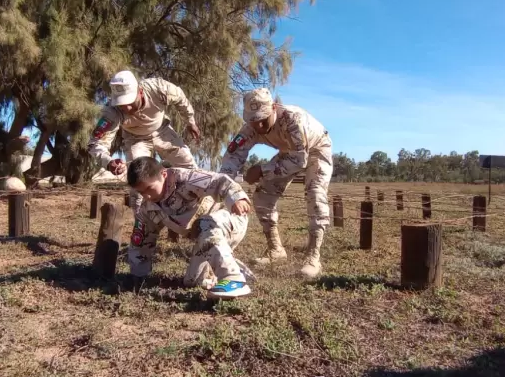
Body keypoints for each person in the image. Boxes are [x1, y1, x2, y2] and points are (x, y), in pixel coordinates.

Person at [219, 88, 333, 280]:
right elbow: (231, 158)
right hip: (288, 152)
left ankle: (313, 257)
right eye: (254, 120)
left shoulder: (292, 119)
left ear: (274, 107)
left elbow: (299, 160)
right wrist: (222, 187)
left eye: (264, 118)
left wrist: (263, 170)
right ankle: (275, 250)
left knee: (315, 193)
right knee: (262, 194)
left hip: (316, 149)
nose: (260, 125)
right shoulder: (250, 128)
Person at [126, 156, 256, 300]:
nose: (147, 196)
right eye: (141, 192)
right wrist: (138, 275)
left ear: (163, 174)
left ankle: (234, 278)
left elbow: (219, 181)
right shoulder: (148, 209)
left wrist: (238, 198)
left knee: (203, 223)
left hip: (230, 219)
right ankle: (232, 265)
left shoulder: (185, 178)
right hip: (205, 238)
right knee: (194, 282)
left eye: (149, 188)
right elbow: (141, 243)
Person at [89, 70, 202, 212]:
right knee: (138, 183)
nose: (127, 108)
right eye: (121, 104)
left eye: (129, 102)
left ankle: (198, 209)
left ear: (140, 92)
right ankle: (141, 225)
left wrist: (190, 122)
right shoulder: (111, 112)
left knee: (190, 168)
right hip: (135, 140)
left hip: (163, 132)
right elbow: (95, 143)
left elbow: (180, 99)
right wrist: (108, 162)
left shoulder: (158, 88)